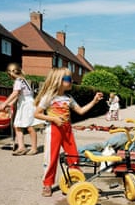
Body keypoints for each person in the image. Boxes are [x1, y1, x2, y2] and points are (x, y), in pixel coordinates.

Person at [34, 67, 103, 197]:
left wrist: (94, 101)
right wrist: (53, 118)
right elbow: (37, 114)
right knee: (51, 158)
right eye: (68, 79)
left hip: (67, 130)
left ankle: (76, 180)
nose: (71, 81)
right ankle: (47, 184)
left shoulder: (68, 98)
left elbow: (81, 111)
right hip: (53, 131)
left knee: (73, 156)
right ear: (58, 81)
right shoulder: (49, 97)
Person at [0, 63, 43, 156]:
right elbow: (18, 95)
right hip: (24, 104)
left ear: (10, 73)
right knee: (17, 125)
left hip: (27, 106)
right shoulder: (23, 80)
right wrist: (10, 104)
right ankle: (21, 147)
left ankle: (34, 148)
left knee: (29, 126)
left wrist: (4, 103)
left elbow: (15, 93)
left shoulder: (18, 81)